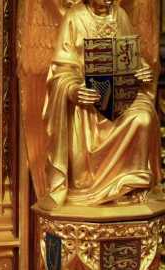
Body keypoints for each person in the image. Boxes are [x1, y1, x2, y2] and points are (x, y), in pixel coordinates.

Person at [43, 0, 159, 207]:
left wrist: (142, 71)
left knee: (144, 116)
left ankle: (133, 186)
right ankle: (89, 187)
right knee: (87, 112)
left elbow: (131, 56)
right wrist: (74, 89)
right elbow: (61, 71)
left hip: (122, 95)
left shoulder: (120, 15)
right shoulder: (75, 17)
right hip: (89, 102)